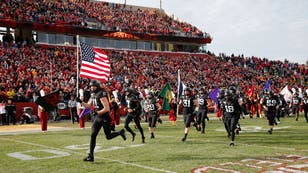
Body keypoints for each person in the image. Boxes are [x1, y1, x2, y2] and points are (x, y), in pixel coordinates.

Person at [78, 80, 126, 162]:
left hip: (104, 118)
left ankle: (120, 132)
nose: (91, 88)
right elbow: (89, 106)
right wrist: (80, 101)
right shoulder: (93, 94)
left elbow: (107, 108)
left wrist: (97, 112)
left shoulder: (101, 94)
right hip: (97, 117)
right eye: (90, 86)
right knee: (93, 135)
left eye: (93, 86)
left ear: (96, 86)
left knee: (108, 136)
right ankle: (91, 156)